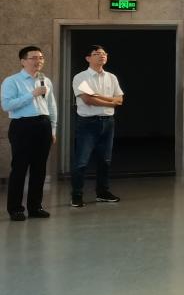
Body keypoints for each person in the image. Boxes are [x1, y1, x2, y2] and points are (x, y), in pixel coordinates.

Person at [3, 46, 57, 220]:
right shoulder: (12, 81)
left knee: (39, 169)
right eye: (34, 58)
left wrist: (53, 128)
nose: (38, 61)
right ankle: (15, 209)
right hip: (23, 126)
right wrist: (32, 94)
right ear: (23, 61)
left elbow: (51, 106)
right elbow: (7, 105)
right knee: (19, 168)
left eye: (41, 57)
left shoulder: (45, 80)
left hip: (43, 125)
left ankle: (35, 207)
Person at [70, 44, 125, 207]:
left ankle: (102, 192)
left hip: (108, 122)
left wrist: (100, 97)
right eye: (97, 53)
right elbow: (88, 100)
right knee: (81, 161)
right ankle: (76, 195)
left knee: (105, 160)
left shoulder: (111, 77)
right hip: (88, 123)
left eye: (104, 53)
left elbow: (120, 100)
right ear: (88, 58)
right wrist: (110, 101)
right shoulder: (80, 77)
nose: (102, 56)